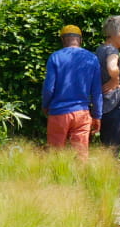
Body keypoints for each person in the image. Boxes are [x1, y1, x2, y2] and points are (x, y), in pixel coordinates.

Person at [41, 24, 103, 156]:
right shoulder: (92, 58)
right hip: (82, 113)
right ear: (80, 40)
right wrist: (97, 116)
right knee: (80, 154)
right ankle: (79, 177)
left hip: (58, 112)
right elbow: (97, 92)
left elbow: (49, 88)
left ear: (63, 40)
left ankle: (56, 176)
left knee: (55, 153)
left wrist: (45, 105)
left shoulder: (55, 57)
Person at [95, 15, 120, 149]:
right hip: (114, 103)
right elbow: (112, 68)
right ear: (113, 33)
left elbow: (116, 68)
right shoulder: (112, 50)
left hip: (104, 104)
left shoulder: (101, 49)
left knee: (106, 144)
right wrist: (115, 80)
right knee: (113, 146)